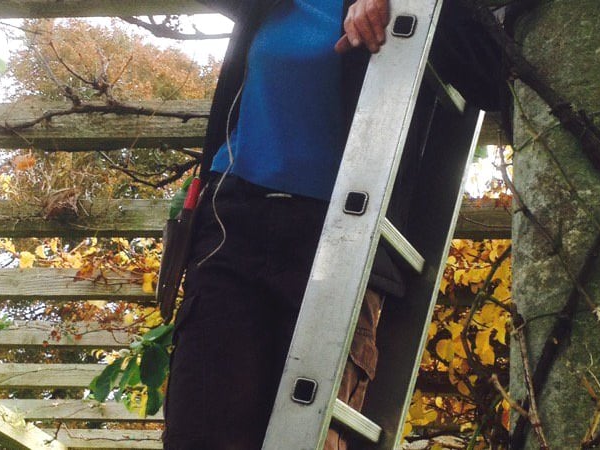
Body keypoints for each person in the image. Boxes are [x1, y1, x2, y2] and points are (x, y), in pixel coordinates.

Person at [161, 0, 505, 447]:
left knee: (311, 437)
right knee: (199, 432)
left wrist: (402, 3)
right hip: (232, 226)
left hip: (344, 241)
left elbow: (493, 76)